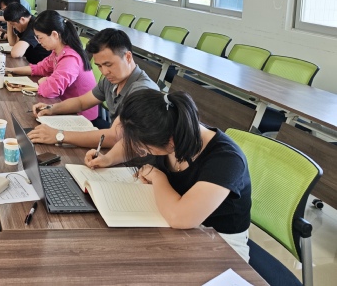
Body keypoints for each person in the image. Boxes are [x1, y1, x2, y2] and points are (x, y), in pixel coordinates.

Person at [84, 89, 252, 262]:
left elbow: (180, 218)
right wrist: (108, 159)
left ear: (170, 142)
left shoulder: (226, 160)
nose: (141, 152)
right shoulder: (172, 128)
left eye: (145, 149)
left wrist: (158, 178)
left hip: (220, 244)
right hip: (173, 226)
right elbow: (136, 141)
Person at [28, 28, 159, 145]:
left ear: (128, 57)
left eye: (108, 64)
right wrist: (52, 108)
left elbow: (115, 137)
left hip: (136, 159)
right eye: (99, 66)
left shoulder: (142, 91)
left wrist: (59, 135)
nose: (104, 72)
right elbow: (81, 102)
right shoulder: (112, 80)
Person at [6, 10, 97, 119]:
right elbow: (40, 68)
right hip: (63, 106)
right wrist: (11, 70)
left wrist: (44, 81)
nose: (39, 42)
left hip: (80, 116)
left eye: (40, 37)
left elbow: (50, 90)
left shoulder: (70, 59)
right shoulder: (57, 51)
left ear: (54, 34)